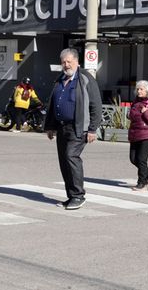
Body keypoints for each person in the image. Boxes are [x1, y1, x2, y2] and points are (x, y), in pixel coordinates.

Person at [44, 48, 102, 210]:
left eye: (69, 61)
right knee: (64, 161)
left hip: (79, 127)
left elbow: (96, 105)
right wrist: (50, 126)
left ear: (77, 61)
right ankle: (71, 197)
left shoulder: (85, 78)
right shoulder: (60, 79)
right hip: (62, 127)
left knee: (71, 156)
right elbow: (53, 103)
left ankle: (78, 195)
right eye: (63, 62)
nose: (66, 64)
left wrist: (92, 129)